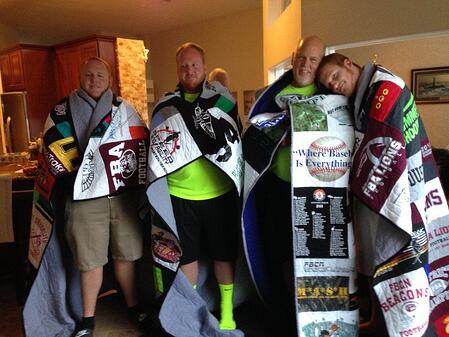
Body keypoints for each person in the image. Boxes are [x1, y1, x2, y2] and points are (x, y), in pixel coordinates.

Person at [317, 53, 449, 336]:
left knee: (399, 255)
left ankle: (405, 325)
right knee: (378, 259)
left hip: (402, 191)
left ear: (348, 64)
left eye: (335, 77)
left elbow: (381, 142)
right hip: (383, 193)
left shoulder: (385, 88)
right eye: (329, 85)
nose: (335, 85)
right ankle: (381, 321)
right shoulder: (362, 98)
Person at [23, 56, 149, 337]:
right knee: (89, 260)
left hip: (120, 196)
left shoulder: (123, 109)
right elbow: (53, 146)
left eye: (100, 76)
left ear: (109, 80)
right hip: (83, 197)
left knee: (126, 254)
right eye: (89, 75)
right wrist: (80, 174)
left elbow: (140, 142)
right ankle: (87, 319)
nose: (94, 80)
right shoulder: (62, 110)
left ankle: (133, 306)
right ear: (80, 79)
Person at [148, 42, 242, 334]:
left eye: (195, 65)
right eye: (184, 65)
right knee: (184, 258)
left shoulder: (223, 100)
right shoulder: (164, 106)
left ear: (204, 66)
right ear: (178, 69)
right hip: (179, 194)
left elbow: (235, 137)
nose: (189, 70)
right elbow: (154, 148)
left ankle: (227, 312)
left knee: (223, 255)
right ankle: (189, 312)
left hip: (218, 194)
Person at [241, 35, 325, 334]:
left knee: (315, 253)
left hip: (317, 191)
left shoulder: (329, 95)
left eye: (313, 59)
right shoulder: (269, 96)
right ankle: (290, 312)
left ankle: (314, 314)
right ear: (293, 57)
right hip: (276, 187)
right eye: (302, 57)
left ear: (320, 64)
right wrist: (278, 136)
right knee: (281, 253)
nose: (306, 64)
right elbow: (252, 139)